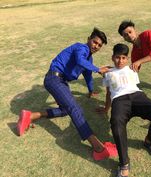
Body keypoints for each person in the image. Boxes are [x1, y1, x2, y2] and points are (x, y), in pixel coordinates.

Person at [17, 27, 117, 161]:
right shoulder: (80, 48)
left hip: (60, 81)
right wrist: (98, 69)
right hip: (54, 79)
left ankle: (31, 116)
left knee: (66, 109)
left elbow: (87, 75)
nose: (96, 46)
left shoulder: (89, 60)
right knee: (75, 109)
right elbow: (80, 61)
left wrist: (90, 90)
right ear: (89, 39)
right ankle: (97, 147)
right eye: (95, 42)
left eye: (99, 45)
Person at [96, 43, 151, 177]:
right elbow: (108, 93)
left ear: (127, 59)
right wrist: (106, 109)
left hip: (137, 96)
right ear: (112, 57)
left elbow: (135, 83)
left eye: (124, 58)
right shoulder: (107, 73)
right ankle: (124, 163)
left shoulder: (131, 69)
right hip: (119, 100)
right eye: (117, 57)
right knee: (116, 123)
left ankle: (150, 142)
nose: (120, 61)